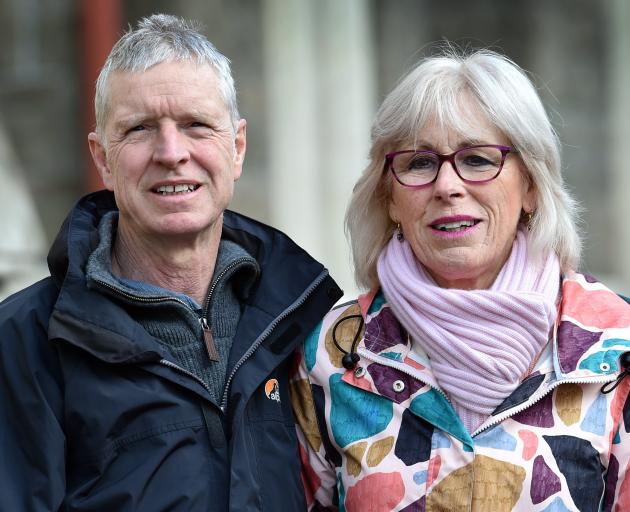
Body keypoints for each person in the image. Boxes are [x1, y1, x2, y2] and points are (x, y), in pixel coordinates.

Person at [0, 14, 342, 511]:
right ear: (103, 159)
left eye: (196, 125)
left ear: (237, 147)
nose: (171, 152)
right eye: (139, 129)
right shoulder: (24, 342)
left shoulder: (309, 321)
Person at [290, 49, 630, 511]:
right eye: (419, 163)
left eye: (477, 159)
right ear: (389, 197)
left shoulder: (615, 346)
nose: (448, 185)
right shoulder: (331, 356)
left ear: (530, 185)